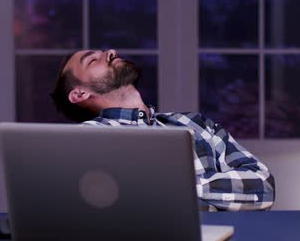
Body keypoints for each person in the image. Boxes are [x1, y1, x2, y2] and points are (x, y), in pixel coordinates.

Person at [50, 49, 275, 211]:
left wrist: (170, 187)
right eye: (93, 60)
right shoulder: (83, 141)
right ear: (79, 94)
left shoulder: (196, 124)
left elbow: (262, 185)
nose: (110, 51)